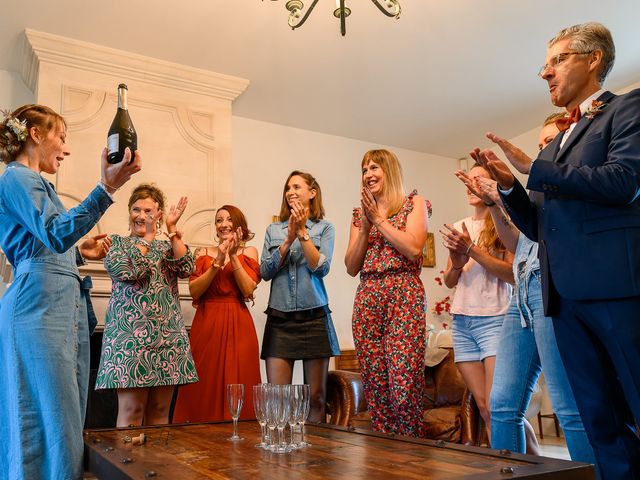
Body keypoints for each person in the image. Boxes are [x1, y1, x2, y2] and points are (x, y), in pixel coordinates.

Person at [475, 22, 640, 479]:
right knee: (599, 419)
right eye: (545, 64)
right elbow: (540, 226)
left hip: (614, 289)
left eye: (558, 60)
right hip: (562, 300)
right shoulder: (558, 144)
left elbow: (624, 182)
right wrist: (510, 188)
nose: (545, 73)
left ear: (594, 60)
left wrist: (534, 169)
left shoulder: (628, 108)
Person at [0, 104, 141, 479]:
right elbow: (55, 231)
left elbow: (47, 242)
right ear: (35, 134)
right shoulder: (17, 178)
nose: (65, 148)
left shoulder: (35, 183)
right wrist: (107, 187)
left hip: (57, 306)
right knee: (46, 415)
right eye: (61, 137)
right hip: (38, 308)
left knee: (64, 415)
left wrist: (79, 252)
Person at [457, 113, 596, 465]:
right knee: (502, 406)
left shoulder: (576, 185)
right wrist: (493, 203)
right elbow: (519, 242)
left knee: (569, 408)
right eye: (540, 145)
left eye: (551, 141)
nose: (545, 150)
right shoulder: (533, 194)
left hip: (553, 290)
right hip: (521, 295)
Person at [95, 183, 198, 427]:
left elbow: (187, 268)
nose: (141, 216)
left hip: (167, 340)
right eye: (136, 209)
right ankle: (127, 465)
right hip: (129, 342)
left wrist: (172, 231)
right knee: (132, 411)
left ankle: (156, 466)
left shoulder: (167, 246)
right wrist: (149, 238)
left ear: (159, 215)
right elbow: (133, 271)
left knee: (161, 413)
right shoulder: (115, 245)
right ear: (129, 212)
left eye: (149, 211)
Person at [345, 149, 429, 437]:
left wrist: (380, 220)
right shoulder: (359, 216)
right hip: (367, 296)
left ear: (389, 170)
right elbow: (351, 266)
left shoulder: (414, 203)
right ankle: (386, 459)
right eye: (364, 169)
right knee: (376, 389)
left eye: (374, 168)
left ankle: (412, 454)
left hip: (403, 295)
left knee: (403, 386)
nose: (368, 174)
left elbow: (414, 248)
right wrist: (367, 224)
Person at [440, 163, 513, 441]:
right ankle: (522, 464)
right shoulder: (459, 226)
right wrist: (458, 264)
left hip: (495, 319)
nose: (471, 186)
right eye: (468, 181)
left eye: (479, 180)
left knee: (499, 409)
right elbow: (449, 280)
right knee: (484, 408)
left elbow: (511, 275)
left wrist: (473, 250)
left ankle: (529, 466)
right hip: (462, 323)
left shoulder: (504, 223)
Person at [260, 170, 339, 422]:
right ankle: (280, 456)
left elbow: (321, 268)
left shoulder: (325, 228)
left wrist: (303, 232)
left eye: (297, 187)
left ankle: (317, 456)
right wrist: (288, 239)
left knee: (316, 397)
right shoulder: (273, 229)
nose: (291, 192)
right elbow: (265, 271)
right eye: (288, 188)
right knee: (278, 398)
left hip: (314, 317)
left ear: (312, 193)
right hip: (280, 319)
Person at [173, 205, 261, 422]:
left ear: (239, 224)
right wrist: (217, 262)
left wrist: (232, 256)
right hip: (207, 322)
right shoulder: (202, 253)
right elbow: (194, 290)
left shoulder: (249, 252)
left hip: (239, 323)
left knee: (240, 377)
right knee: (204, 379)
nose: (224, 224)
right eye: (219, 220)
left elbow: (248, 289)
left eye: (229, 219)